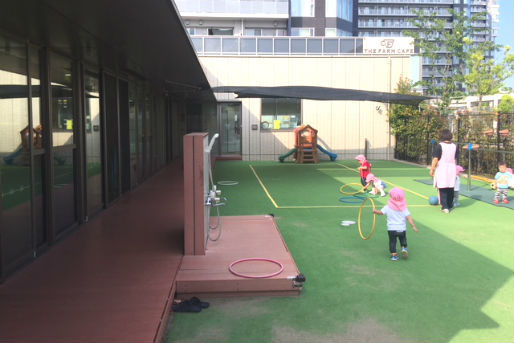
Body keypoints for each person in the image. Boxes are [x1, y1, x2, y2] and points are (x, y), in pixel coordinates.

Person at [373, 187, 418, 261]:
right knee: (403, 239)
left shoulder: (387, 207)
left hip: (392, 229)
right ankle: (404, 247)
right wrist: (413, 226)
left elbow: (380, 213)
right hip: (402, 229)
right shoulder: (404, 208)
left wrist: (375, 211)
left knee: (392, 242)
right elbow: (408, 217)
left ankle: (394, 256)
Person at [430, 129, 459, 213]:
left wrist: (432, 169)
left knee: (442, 187)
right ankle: (450, 204)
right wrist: (455, 169)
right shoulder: (455, 146)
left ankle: (445, 207)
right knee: (450, 187)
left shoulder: (440, 146)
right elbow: (455, 159)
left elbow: (435, 159)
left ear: (441, 136)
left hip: (442, 168)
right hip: (452, 168)